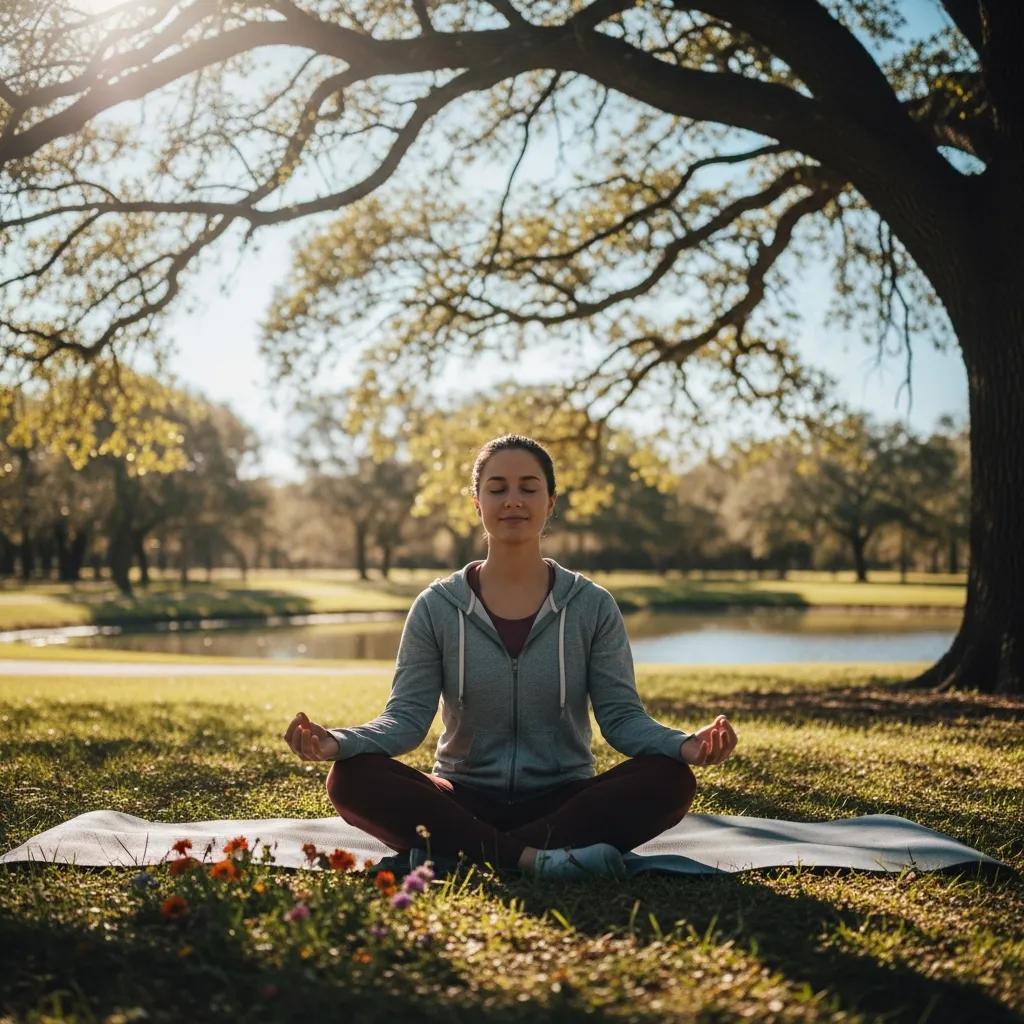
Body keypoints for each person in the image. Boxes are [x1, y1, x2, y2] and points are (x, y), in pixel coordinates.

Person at [284, 434, 738, 879]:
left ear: (551, 502)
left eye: (528, 488)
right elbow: (404, 721)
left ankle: (476, 849)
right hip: (462, 796)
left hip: (565, 798)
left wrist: (683, 745)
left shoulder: (592, 606)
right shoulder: (436, 607)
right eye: (497, 489)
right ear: (477, 503)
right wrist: (338, 743)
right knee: (351, 778)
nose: (513, 501)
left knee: (670, 780)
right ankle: (534, 858)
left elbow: (622, 719)